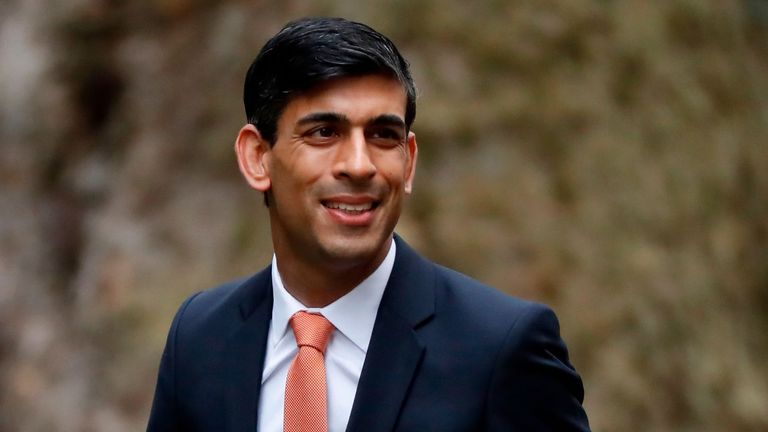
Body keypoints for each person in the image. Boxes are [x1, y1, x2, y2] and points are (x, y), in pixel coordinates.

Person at [147, 17, 590, 432]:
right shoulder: (200, 337)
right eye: (324, 133)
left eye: (383, 135)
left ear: (409, 160)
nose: (359, 165)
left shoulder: (500, 348)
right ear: (257, 158)